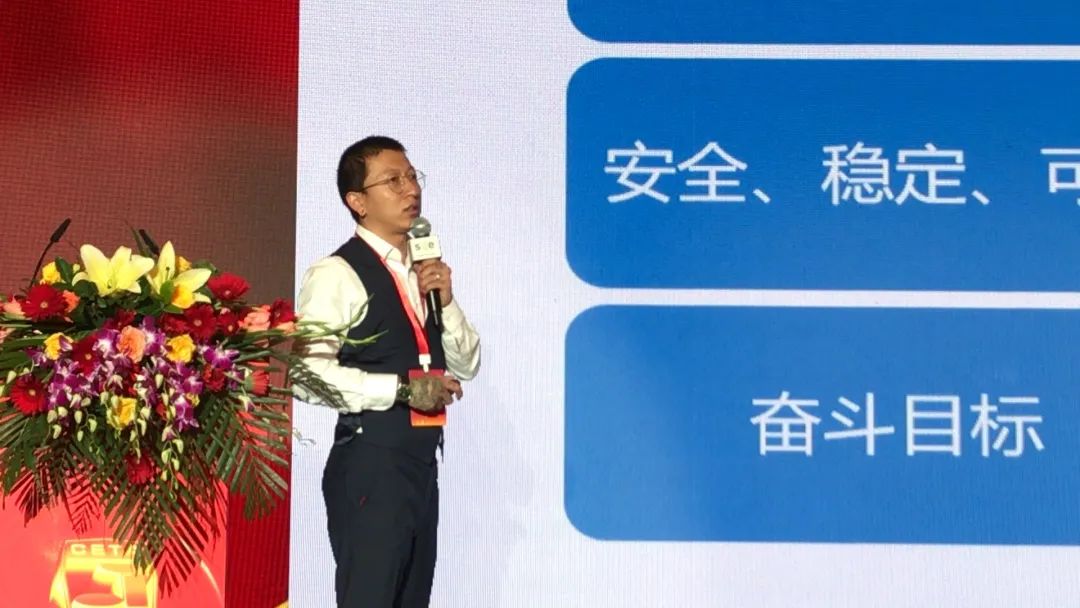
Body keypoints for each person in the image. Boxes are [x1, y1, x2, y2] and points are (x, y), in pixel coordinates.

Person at [296, 136, 481, 607]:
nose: (410, 190)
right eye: (393, 181)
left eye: (413, 177)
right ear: (357, 202)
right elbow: (306, 374)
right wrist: (400, 390)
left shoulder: (424, 270)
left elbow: (467, 364)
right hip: (370, 466)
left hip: (420, 467)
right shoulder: (337, 273)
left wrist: (445, 300)